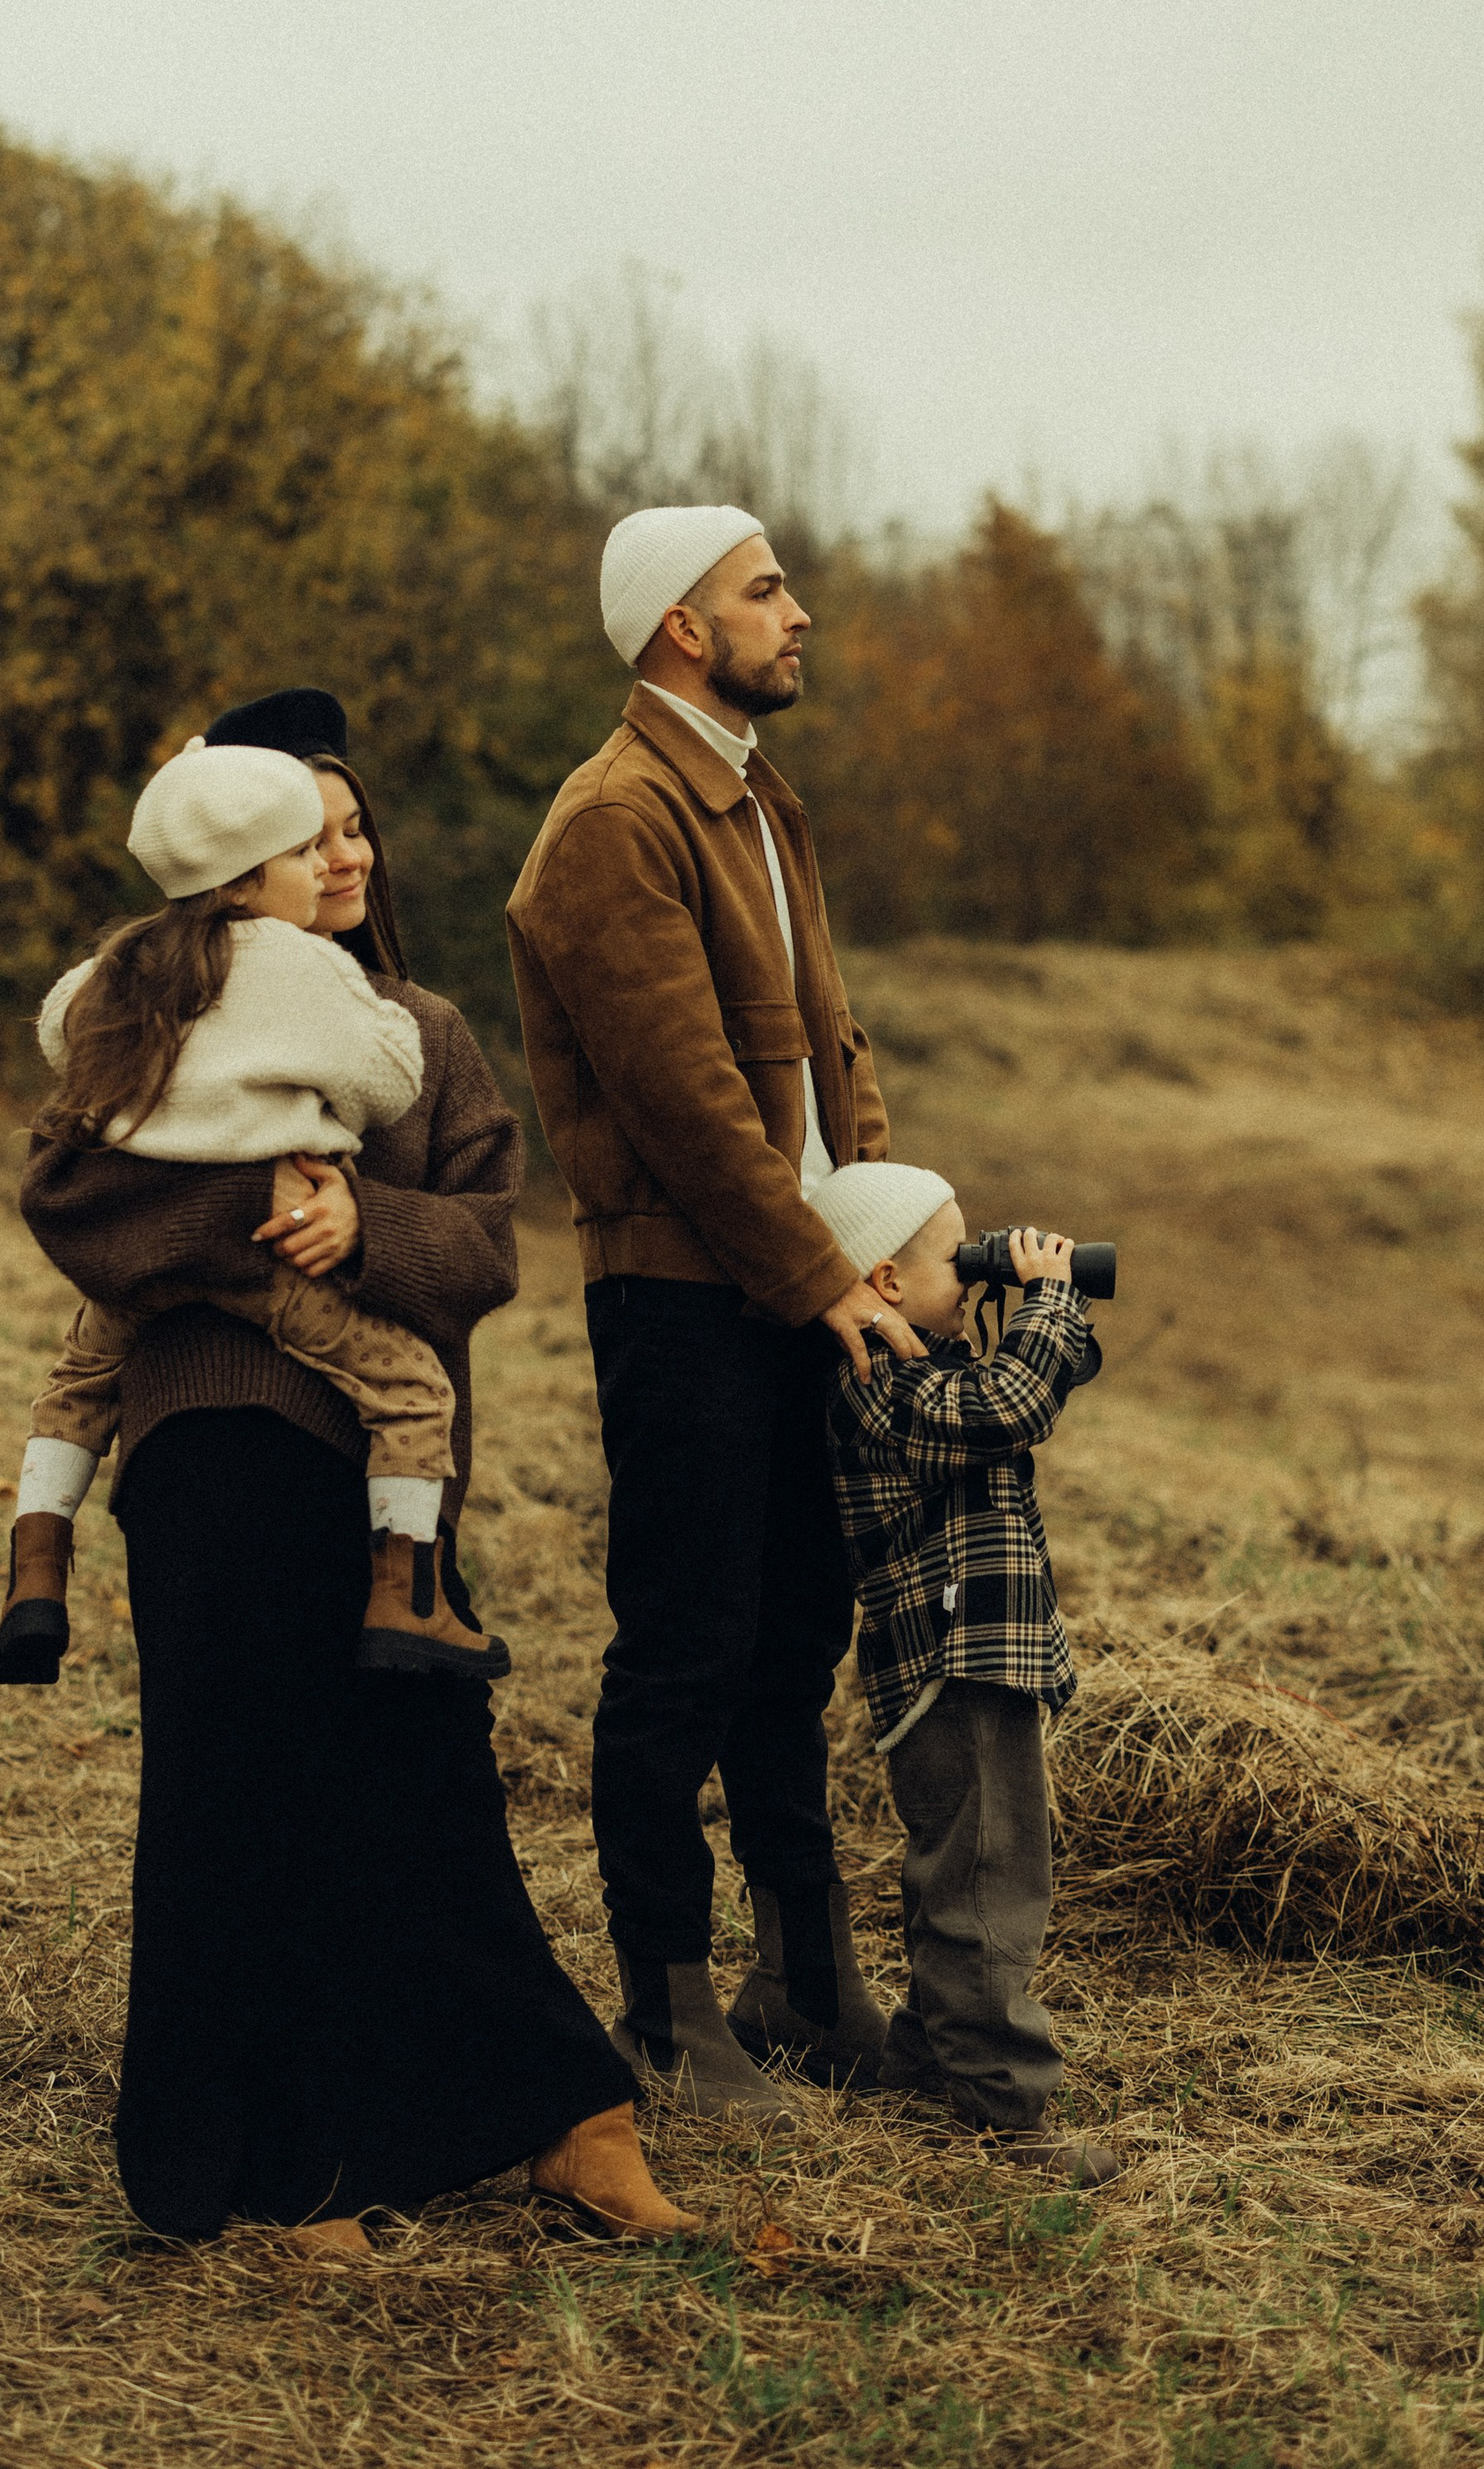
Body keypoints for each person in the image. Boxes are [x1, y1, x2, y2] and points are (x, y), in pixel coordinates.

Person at [3, 684, 693, 2249]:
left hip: (388, 1484)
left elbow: (484, 1253)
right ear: (248, 866)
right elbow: (87, 1208)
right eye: (312, 831)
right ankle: (274, 2164)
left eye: (358, 822)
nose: (346, 849)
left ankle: (558, 2118)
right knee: (234, 1803)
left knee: (426, 1797)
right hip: (213, 1449)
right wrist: (248, 1214)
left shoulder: (421, 1039)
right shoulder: (162, 1017)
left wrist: (358, 1228)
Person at [506, 504, 924, 2125]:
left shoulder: (761, 801)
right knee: (684, 1649)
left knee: (798, 1638)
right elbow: (687, 1106)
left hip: (810, 1290)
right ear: (683, 626)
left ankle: (806, 1988)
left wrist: (870, 1235)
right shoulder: (614, 824)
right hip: (692, 1300)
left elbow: (836, 1047)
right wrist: (819, 1273)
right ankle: (670, 2019)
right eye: (766, 592)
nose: (798, 615)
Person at [0, 739, 493, 1685]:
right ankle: (406, 1599)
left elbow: (60, 1031)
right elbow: (387, 1080)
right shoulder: (302, 968)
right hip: (271, 1259)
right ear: (250, 878)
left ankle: (36, 1574)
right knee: (410, 1391)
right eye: (303, 853)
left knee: (74, 1387)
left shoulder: (129, 963)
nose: (324, 868)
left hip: (143, 1270)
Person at [809, 1159, 1120, 2185]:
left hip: (973, 1653)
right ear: (887, 1283)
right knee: (988, 1879)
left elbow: (1037, 1382)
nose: (979, 1262)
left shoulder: (923, 1365)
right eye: (960, 1253)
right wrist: (1046, 1298)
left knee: (964, 1867)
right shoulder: (873, 1376)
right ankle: (1003, 2105)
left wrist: (1045, 1308)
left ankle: (926, 2060)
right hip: (952, 1655)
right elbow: (1008, 1407)